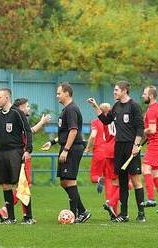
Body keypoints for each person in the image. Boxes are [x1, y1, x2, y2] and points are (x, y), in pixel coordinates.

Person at [88, 81, 146, 222]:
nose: (114, 92)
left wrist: (136, 145)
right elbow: (107, 121)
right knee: (122, 182)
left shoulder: (134, 106)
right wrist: (95, 106)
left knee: (136, 181)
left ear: (124, 90)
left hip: (131, 146)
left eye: (116, 90)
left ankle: (141, 213)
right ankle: (124, 214)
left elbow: (140, 127)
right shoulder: (116, 106)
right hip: (118, 148)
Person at [0, 88, 33, 224]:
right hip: (2, 152)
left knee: (21, 184)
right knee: (5, 184)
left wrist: (28, 149)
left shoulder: (17, 113)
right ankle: (10, 217)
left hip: (16, 151)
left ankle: (28, 217)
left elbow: (27, 131)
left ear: (7, 98)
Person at [0, 98, 51, 224]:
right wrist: (41, 122)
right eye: (26, 106)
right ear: (20, 108)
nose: (29, 108)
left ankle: (17, 213)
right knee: (23, 185)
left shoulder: (16, 118)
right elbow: (29, 131)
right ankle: (12, 212)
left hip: (18, 155)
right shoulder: (17, 118)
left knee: (22, 185)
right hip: (21, 156)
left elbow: (29, 132)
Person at [42, 82, 91, 224]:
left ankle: (74, 215)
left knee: (69, 181)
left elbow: (74, 131)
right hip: (68, 147)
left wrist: (66, 150)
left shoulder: (71, 109)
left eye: (59, 93)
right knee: (64, 182)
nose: (57, 95)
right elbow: (66, 132)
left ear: (66, 93)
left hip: (72, 149)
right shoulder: (66, 110)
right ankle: (82, 211)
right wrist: (52, 142)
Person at [141, 86, 158, 213]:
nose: (143, 96)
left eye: (144, 94)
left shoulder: (152, 110)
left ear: (151, 96)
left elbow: (152, 129)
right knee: (155, 173)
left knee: (145, 168)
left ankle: (150, 198)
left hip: (157, 143)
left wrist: (142, 131)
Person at [84, 109, 107, 194]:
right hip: (111, 152)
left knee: (94, 176)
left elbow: (93, 136)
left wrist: (88, 148)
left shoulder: (96, 122)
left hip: (99, 151)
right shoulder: (113, 123)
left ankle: (99, 180)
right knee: (110, 177)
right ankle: (110, 201)